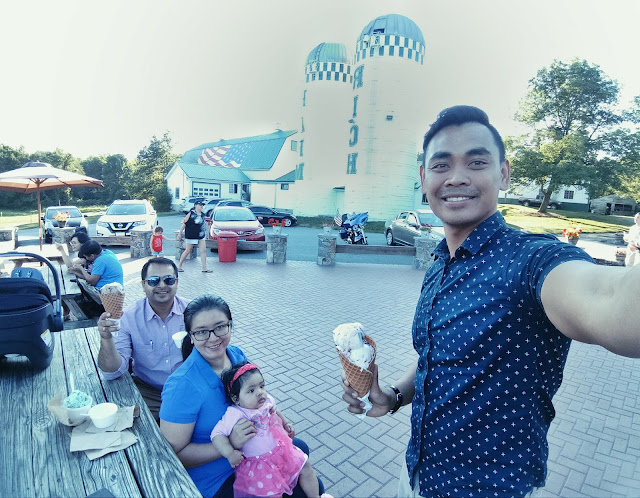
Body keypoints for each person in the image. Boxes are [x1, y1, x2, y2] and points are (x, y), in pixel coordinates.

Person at [340, 105, 640, 497]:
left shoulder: (531, 261)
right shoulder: (440, 263)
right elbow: (439, 355)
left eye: (477, 162)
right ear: (424, 178)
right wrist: (394, 396)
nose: (457, 177)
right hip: (416, 475)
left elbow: (610, 300)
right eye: (441, 165)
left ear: (503, 174)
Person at [160, 295, 325, 498]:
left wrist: (278, 419)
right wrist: (229, 443)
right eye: (202, 332)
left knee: (305, 462)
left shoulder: (235, 355)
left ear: (230, 326)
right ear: (191, 336)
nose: (213, 338)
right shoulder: (181, 385)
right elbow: (173, 454)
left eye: (220, 327)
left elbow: (256, 395)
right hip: (218, 477)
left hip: (257, 454)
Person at [212, 362, 324, 498]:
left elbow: (275, 410)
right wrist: (230, 453)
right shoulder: (236, 413)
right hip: (259, 464)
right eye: (251, 391)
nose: (260, 392)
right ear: (236, 399)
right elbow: (217, 434)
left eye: (262, 386)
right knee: (271, 492)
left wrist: (286, 422)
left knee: (305, 467)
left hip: (281, 451)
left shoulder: (267, 401)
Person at [96, 257, 188, 421]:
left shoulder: (193, 312)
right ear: (143, 285)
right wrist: (106, 338)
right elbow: (112, 372)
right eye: (153, 281)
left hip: (188, 389)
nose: (162, 285)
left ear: (177, 282)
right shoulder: (128, 317)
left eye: (168, 279)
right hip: (149, 392)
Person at [176, 200, 211, 273]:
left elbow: (204, 224)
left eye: (202, 205)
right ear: (195, 206)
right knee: (188, 250)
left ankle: (204, 268)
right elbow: (184, 223)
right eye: (200, 205)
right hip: (191, 235)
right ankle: (179, 265)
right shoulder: (190, 214)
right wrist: (180, 233)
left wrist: (207, 233)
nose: (201, 206)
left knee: (203, 250)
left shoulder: (203, 214)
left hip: (201, 235)